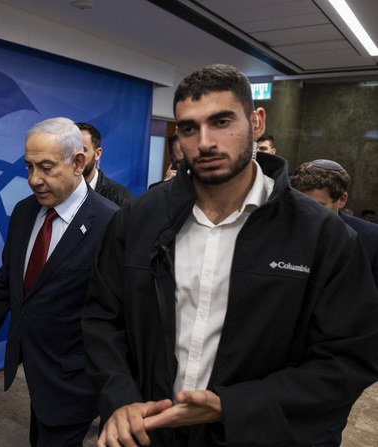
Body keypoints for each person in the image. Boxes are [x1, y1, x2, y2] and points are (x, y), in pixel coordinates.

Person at [82, 64, 378, 446]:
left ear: (256, 122)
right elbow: (103, 319)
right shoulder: (137, 219)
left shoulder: (322, 235)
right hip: (150, 431)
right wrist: (120, 398)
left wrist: (233, 406)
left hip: (255, 435)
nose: (205, 142)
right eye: (189, 128)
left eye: (221, 122)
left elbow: (347, 358)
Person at [0, 117, 119, 446]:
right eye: (29, 167)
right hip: (34, 371)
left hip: (75, 381)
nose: (34, 179)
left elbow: (121, 315)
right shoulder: (23, 212)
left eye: (46, 168)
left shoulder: (111, 223)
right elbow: (8, 279)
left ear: (78, 163)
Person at [290, 159, 378, 288]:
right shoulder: (280, 230)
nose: (307, 213)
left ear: (342, 200)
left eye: (318, 207)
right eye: (301, 204)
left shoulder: (372, 238)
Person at [75, 122, 133, 206]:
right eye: (69, 150)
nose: (75, 155)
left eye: (82, 150)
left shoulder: (120, 197)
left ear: (97, 154)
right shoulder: (57, 191)